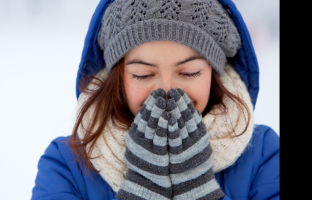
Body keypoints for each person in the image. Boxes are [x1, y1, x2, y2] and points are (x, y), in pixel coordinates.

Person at [31, 0, 279, 199]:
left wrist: (199, 191)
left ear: (213, 73)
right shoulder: (66, 164)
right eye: (143, 74)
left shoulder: (264, 155)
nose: (167, 91)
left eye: (189, 72)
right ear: (118, 78)